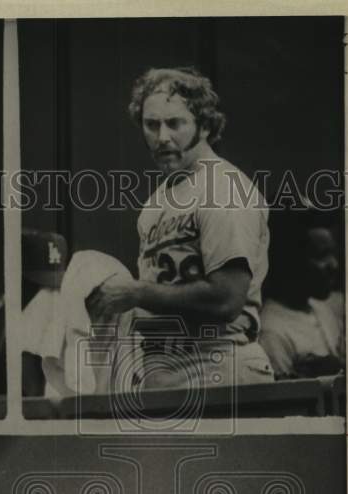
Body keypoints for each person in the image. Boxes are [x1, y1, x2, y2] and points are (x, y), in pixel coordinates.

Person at [86, 67, 274, 390]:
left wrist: (136, 293)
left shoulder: (223, 187)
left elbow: (227, 299)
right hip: (164, 369)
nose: (162, 137)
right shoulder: (154, 204)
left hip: (220, 363)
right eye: (151, 125)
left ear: (204, 125)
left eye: (175, 123)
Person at [258, 211, 345, 378]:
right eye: (321, 255)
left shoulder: (325, 309)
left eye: (333, 254)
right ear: (291, 261)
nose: (334, 265)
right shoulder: (271, 332)